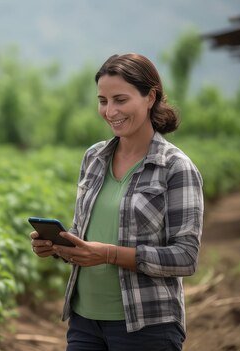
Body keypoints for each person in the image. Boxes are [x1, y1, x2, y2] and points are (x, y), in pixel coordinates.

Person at [30, 53, 204, 351]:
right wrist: (59, 246)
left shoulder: (175, 167)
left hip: (147, 326)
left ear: (150, 97)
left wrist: (109, 254)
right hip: (84, 322)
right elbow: (87, 232)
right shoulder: (94, 158)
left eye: (120, 100)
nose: (110, 111)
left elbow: (185, 257)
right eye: (103, 101)